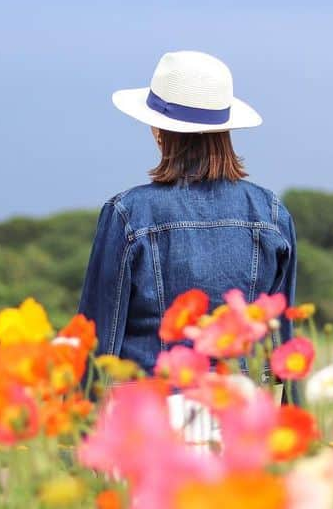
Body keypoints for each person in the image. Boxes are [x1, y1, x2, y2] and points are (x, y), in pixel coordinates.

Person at [77, 50, 299, 388]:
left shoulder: (127, 213)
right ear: (226, 129)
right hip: (240, 415)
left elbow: (98, 339)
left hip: (152, 415)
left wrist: (80, 430)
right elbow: (283, 344)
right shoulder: (270, 213)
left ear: (157, 130)